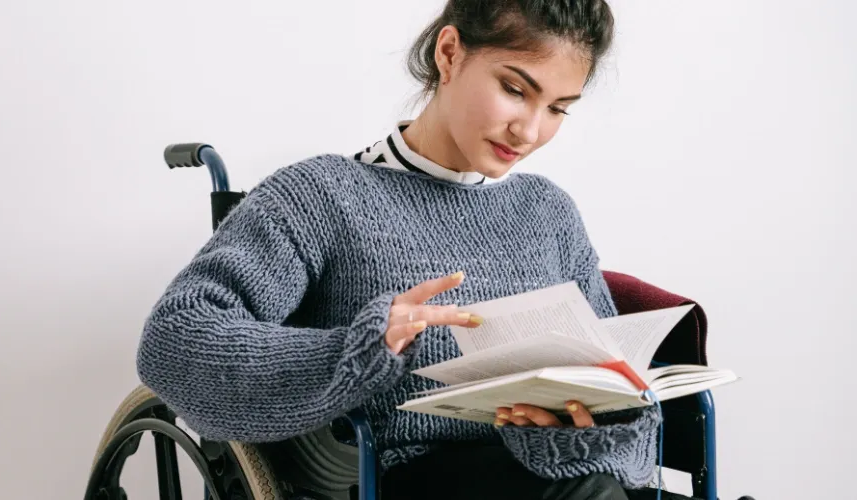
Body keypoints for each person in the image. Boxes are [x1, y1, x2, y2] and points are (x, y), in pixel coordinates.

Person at [137, 1, 691, 498]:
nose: (529, 130)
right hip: (400, 474)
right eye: (515, 89)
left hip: (554, 476)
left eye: (557, 109)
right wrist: (359, 349)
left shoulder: (549, 211)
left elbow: (613, 385)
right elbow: (174, 340)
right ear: (449, 54)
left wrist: (582, 424)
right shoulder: (322, 195)